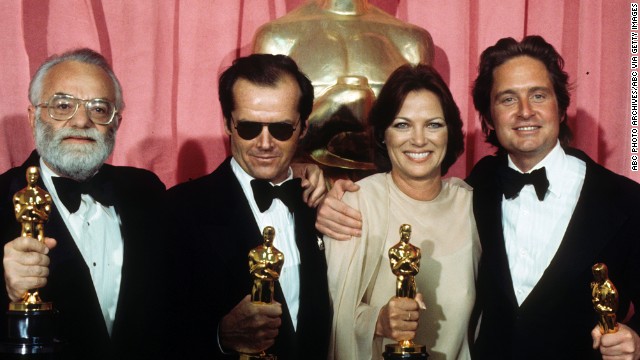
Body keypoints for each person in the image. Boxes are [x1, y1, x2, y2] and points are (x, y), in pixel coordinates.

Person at [317, 35, 640, 359]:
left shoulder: (624, 201)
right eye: (508, 99)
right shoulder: (482, 186)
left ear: (561, 105)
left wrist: (637, 341)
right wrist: (319, 196)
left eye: (538, 95)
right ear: (489, 117)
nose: (525, 112)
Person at [0, 48, 167, 359]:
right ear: (33, 116)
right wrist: (5, 287)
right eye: (63, 105)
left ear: (116, 122)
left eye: (99, 109)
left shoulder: (147, 192)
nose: (81, 120)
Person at [166, 53, 331, 359]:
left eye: (281, 129)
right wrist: (220, 336)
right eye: (249, 128)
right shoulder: (179, 210)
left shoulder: (320, 201)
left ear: (303, 128)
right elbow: (155, 334)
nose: (265, 143)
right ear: (228, 124)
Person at [324, 63, 480, 360]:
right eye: (402, 124)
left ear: (451, 133)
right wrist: (378, 321)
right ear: (383, 135)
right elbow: (330, 315)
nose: (419, 139)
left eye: (433, 124)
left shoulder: (470, 205)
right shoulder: (356, 203)